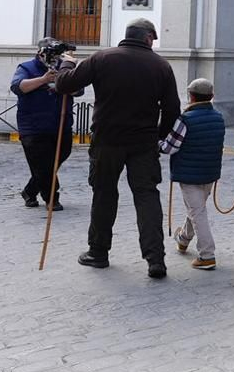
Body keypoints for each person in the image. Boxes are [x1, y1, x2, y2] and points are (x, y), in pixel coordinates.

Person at [56, 19, 181, 279]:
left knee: (104, 195)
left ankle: (98, 253)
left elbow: (64, 84)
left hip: (107, 140)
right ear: (148, 38)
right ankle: (155, 259)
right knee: (147, 197)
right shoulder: (161, 66)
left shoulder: (102, 58)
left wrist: (67, 62)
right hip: (143, 143)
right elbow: (172, 110)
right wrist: (157, 138)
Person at [162, 78, 226, 271]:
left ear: (190, 96)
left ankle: (207, 255)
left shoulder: (185, 120)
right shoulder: (219, 117)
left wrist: (157, 144)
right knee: (196, 209)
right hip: (210, 173)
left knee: (197, 212)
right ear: (211, 96)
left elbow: (169, 148)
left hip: (189, 175)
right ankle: (183, 239)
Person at [10, 38, 76, 210]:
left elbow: (79, 89)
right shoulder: (26, 68)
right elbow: (18, 86)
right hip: (33, 126)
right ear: (40, 54)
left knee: (57, 157)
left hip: (61, 123)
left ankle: (30, 191)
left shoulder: (64, 66)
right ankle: (52, 199)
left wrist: (64, 81)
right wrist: (44, 79)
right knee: (43, 163)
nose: (53, 60)